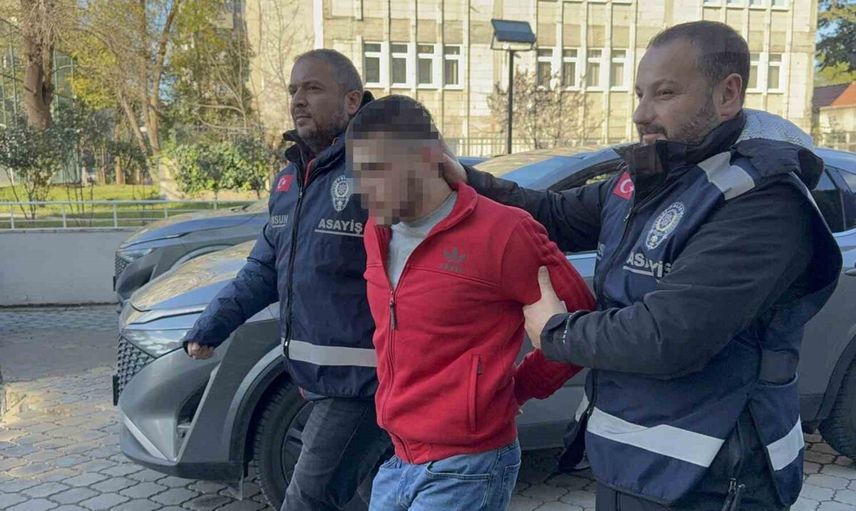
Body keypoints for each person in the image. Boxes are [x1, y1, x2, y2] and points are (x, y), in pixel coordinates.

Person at [443, 21, 842, 511]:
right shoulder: (649, 182)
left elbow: (668, 336)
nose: (641, 113)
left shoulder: (762, 201)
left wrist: (555, 332)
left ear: (727, 94)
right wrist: (467, 179)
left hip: (713, 479)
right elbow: (554, 212)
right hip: (633, 464)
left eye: (665, 93)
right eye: (639, 94)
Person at [347, 95, 596, 511]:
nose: (362, 188)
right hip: (398, 457)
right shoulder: (377, 231)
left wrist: (516, 390)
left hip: (467, 465)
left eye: (376, 169)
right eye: (358, 173)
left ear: (429, 156)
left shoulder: (505, 232)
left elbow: (579, 326)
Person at [182, 49, 392, 511]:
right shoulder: (290, 181)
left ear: (352, 100)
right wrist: (211, 325)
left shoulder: (380, 168)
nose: (298, 100)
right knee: (369, 497)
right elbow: (264, 267)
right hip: (316, 381)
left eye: (313, 89)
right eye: (293, 90)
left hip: (364, 384)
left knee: (306, 500)